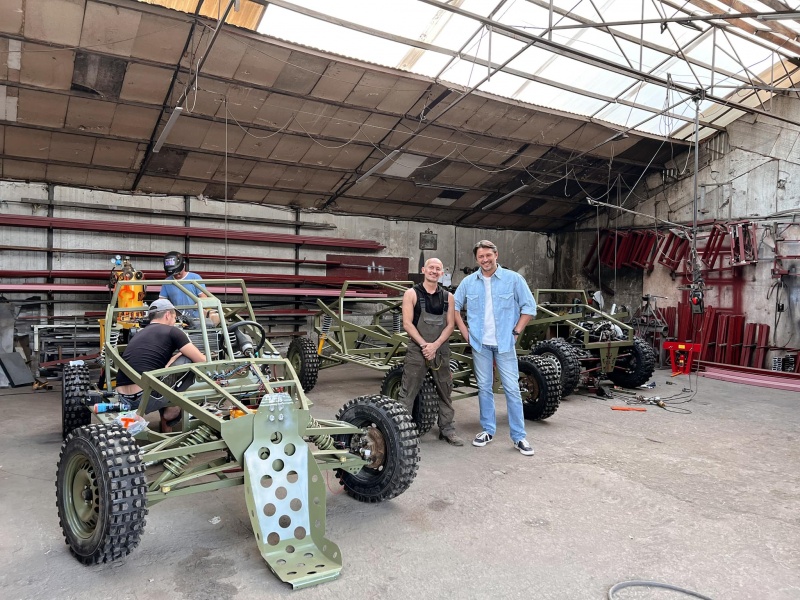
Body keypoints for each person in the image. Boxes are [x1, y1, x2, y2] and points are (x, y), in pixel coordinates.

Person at [454, 240, 537, 456]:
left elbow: (529, 307)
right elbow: (454, 306)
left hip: (505, 344)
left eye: (488, 255)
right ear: (476, 259)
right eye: (481, 257)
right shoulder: (469, 282)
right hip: (480, 344)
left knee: (512, 389)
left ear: (496, 255)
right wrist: (465, 333)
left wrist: (516, 331)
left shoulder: (513, 279)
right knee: (484, 387)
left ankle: (519, 437)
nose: (485, 260)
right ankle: (487, 430)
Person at [116, 298, 207, 432]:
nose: (175, 321)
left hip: (123, 398)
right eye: (175, 318)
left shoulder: (139, 333)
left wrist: (174, 357)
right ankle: (172, 411)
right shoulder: (173, 331)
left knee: (164, 371)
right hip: (146, 397)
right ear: (168, 315)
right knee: (187, 360)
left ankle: (168, 415)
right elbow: (202, 361)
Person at [398, 258, 463, 446]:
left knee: (445, 390)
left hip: (440, 350)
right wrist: (425, 345)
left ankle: (447, 429)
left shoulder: (448, 297)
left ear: (442, 273)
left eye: (438, 269)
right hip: (417, 350)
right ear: (423, 270)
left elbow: (450, 325)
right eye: (431, 268)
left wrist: (435, 346)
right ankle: (402, 432)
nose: (434, 271)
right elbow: (407, 324)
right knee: (408, 391)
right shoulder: (411, 294)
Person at [160, 251, 220, 326]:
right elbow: (161, 301)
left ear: (183, 265)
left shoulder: (195, 278)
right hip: (178, 320)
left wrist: (195, 306)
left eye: (178, 272)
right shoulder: (167, 281)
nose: (177, 275)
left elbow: (204, 297)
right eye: (174, 273)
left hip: (196, 319)